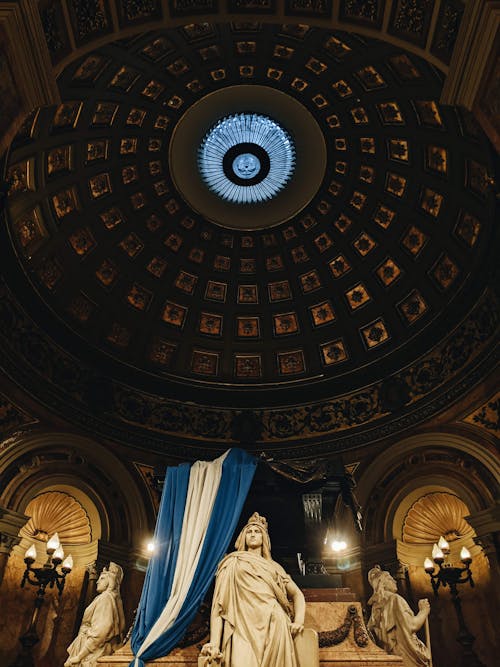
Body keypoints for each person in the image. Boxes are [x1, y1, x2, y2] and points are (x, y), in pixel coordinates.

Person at [200, 512, 305, 666]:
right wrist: (215, 642)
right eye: (249, 531)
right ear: (243, 537)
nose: (253, 534)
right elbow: (219, 606)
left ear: (264, 538)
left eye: (257, 532)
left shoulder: (274, 567)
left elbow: (297, 595)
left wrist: (299, 621)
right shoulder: (232, 563)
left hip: (274, 622)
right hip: (241, 624)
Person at [367, 565, 431, 667]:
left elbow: (370, 633)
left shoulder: (375, 609)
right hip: (406, 655)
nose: (395, 581)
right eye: (391, 579)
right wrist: (424, 611)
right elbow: (411, 625)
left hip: (390, 657)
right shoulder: (395, 599)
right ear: (382, 583)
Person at [65, 562, 125, 667]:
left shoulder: (105, 598)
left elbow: (101, 631)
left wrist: (80, 656)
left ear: (110, 581)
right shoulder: (105, 598)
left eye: (102, 579)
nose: (97, 581)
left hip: (90, 653)